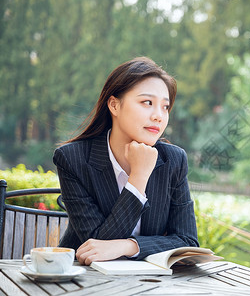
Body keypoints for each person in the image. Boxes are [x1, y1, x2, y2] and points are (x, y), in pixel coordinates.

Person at [53, 57, 199, 265]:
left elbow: (187, 241)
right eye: (147, 103)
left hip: (150, 284)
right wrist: (139, 176)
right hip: (84, 280)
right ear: (114, 105)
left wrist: (130, 246)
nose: (159, 116)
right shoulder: (73, 159)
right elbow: (97, 247)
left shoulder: (173, 160)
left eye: (165, 107)